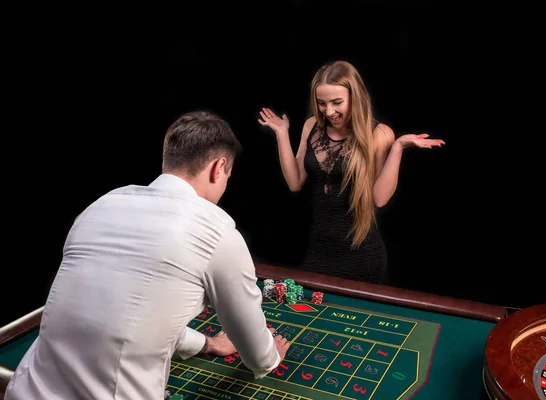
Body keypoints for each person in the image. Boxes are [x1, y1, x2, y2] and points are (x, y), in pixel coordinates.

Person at [5, 110, 290, 400]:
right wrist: (270, 357)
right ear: (219, 167)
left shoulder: (100, 206)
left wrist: (206, 343)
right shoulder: (218, 231)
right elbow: (256, 354)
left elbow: (122, 311)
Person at [257, 60, 445, 284]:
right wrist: (281, 133)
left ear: (355, 97)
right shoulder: (311, 126)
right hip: (319, 250)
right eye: (322, 103)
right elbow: (295, 182)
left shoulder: (379, 133)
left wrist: (397, 148)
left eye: (337, 102)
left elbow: (379, 198)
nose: (329, 111)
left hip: (361, 255)